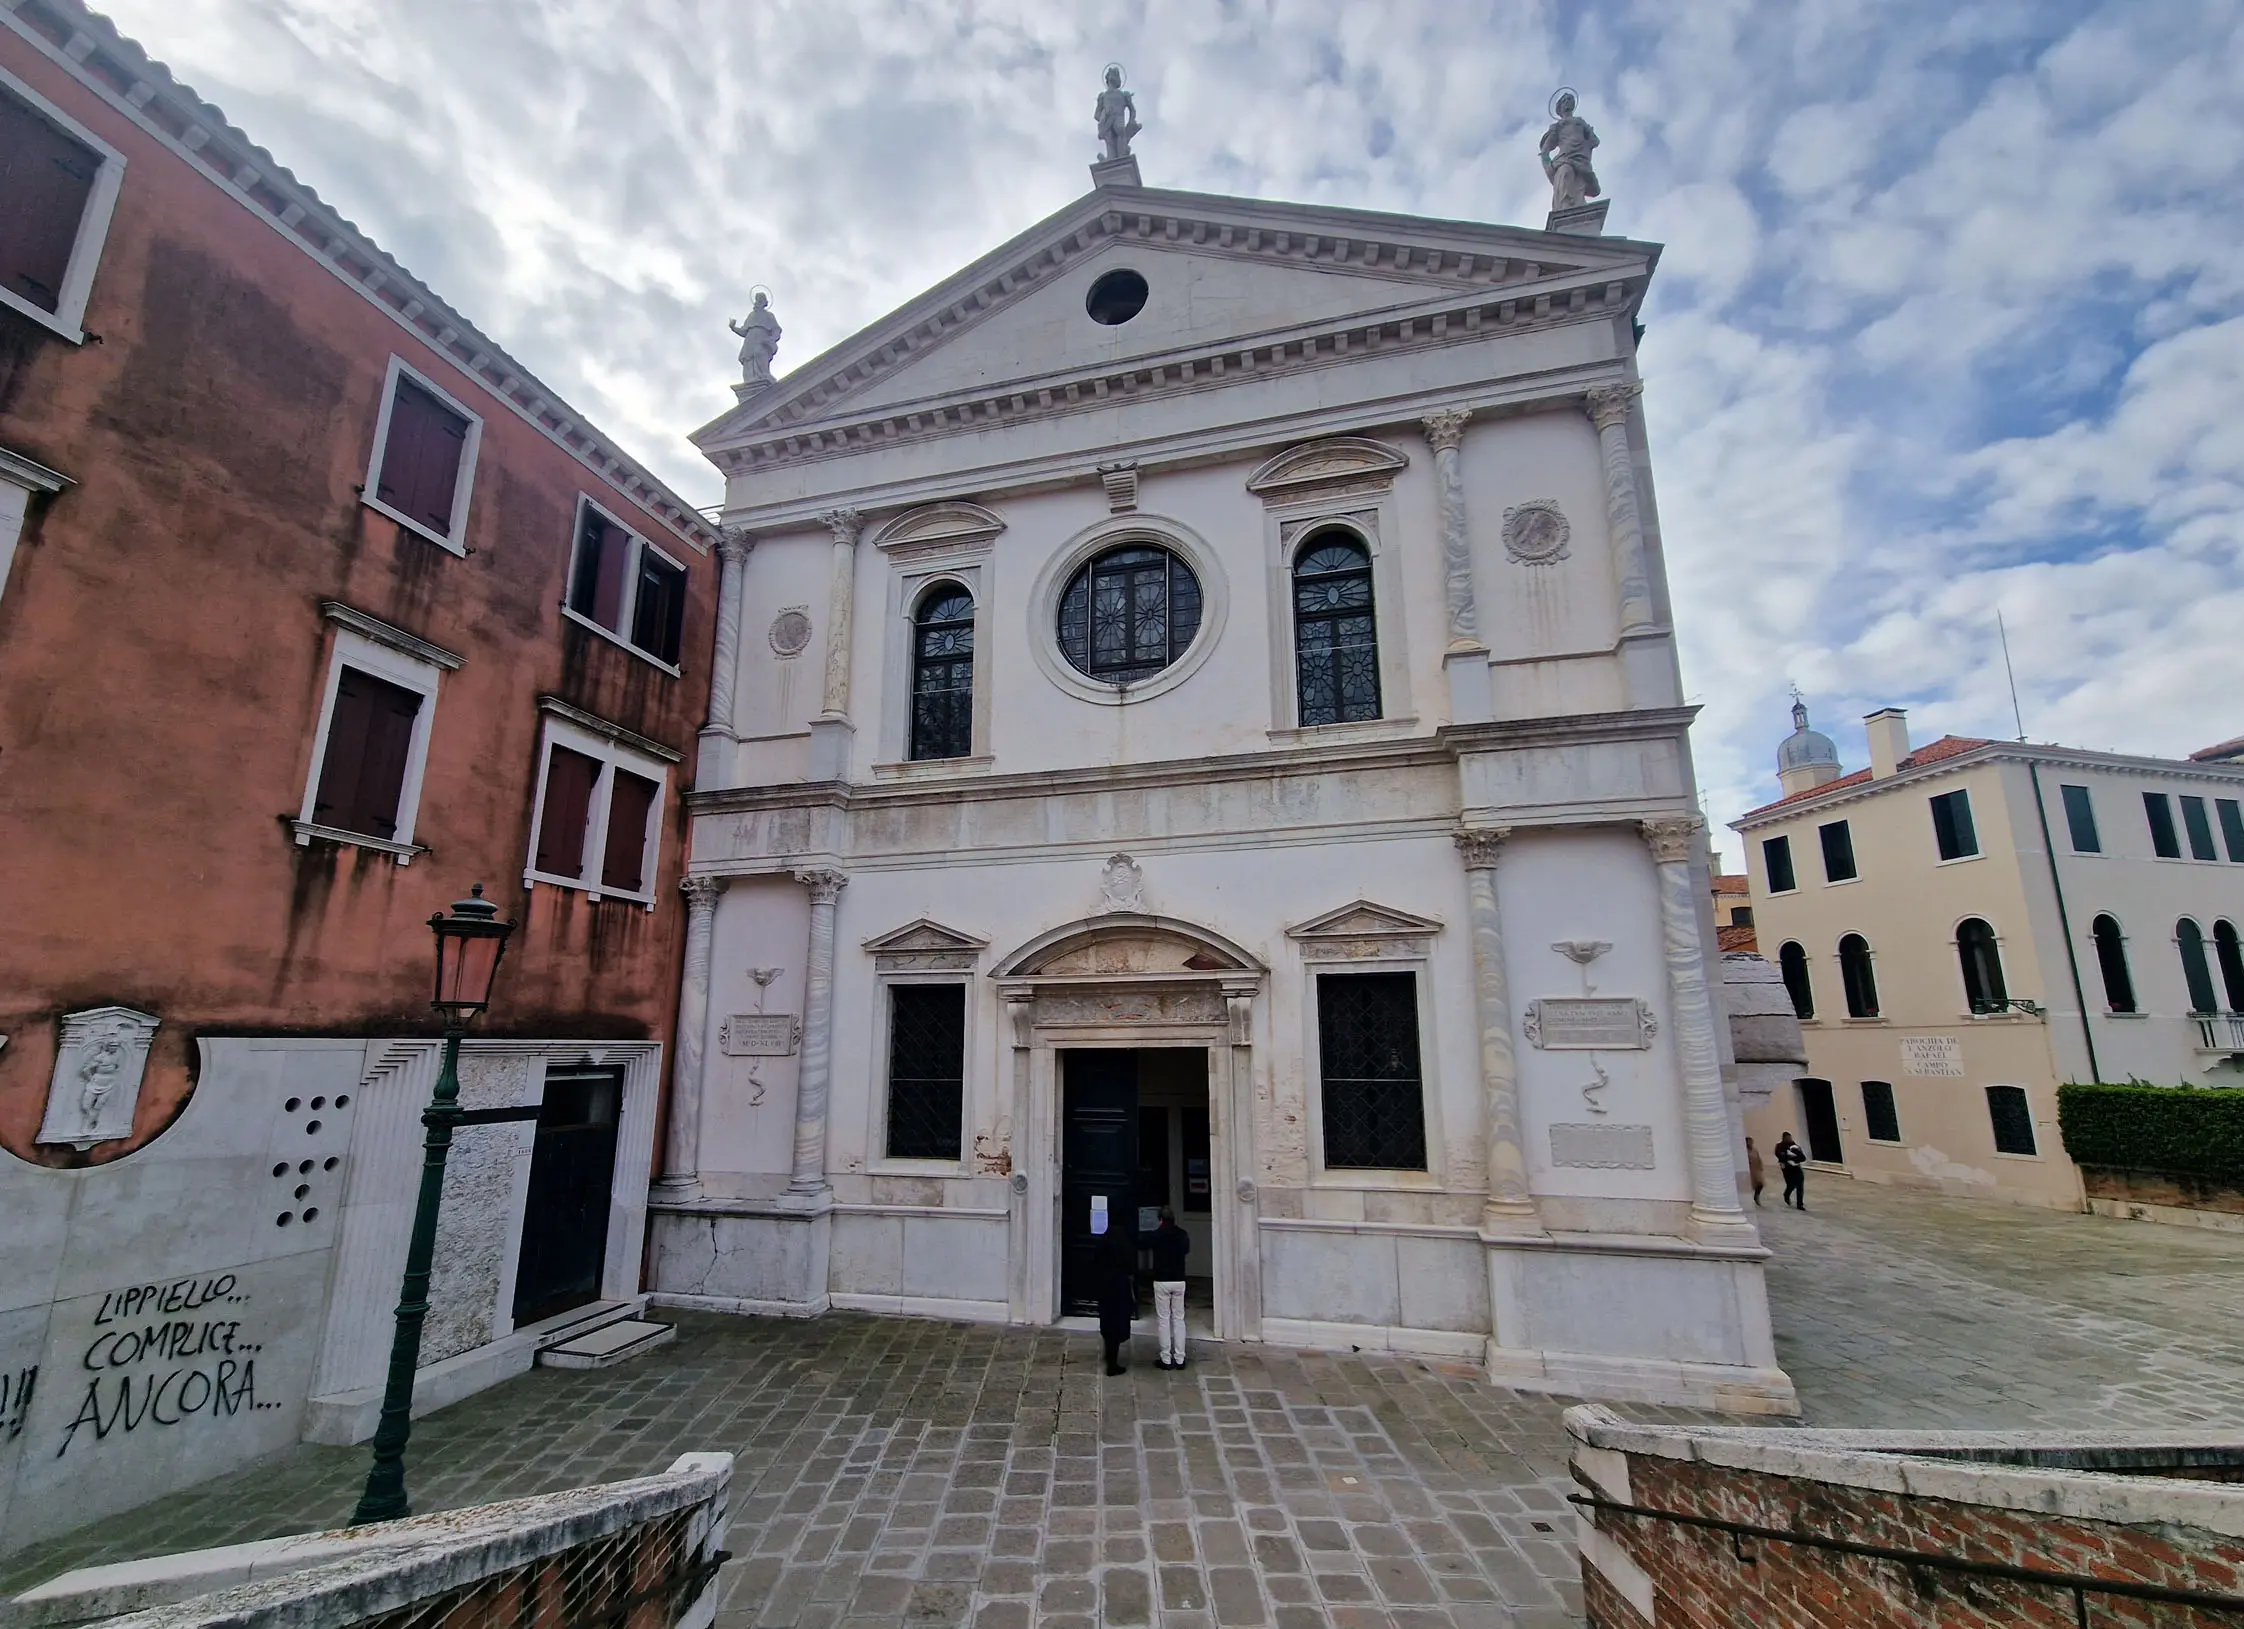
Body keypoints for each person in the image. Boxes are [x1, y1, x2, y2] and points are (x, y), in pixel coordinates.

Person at [1149, 1206, 1191, 1370]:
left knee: (1164, 1320)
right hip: (1179, 1280)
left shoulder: (1156, 1235)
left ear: (1160, 1219)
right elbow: (1186, 1250)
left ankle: (1166, 1358)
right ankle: (1180, 1358)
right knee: (1179, 1319)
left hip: (1162, 1281)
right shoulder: (1182, 1234)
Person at [1097, 1223, 1137, 1375]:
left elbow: (1095, 1262)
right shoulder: (1125, 1246)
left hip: (1105, 1287)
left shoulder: (1103, 1243)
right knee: (1117, 1324)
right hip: (1120, 1288)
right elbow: (1130, 1267)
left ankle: (1109, 1355)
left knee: (1107, 1323)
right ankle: (1112, 1364)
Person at [1775, 1131, 1807, 1209]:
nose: (1789, 1139)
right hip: (1787, 1169)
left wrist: (1792, 1159)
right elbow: (1780, 1156)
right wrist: (1788, 1158)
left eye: (1790, 1138)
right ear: (1784, 1138)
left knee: (1800, 1185)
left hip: (1796, 1167)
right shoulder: (1779, 1146)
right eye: (1787, 1138)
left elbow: (1802, 1157)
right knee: (1791, 1184)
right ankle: (1786, 1194)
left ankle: (1800, 1204)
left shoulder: (1794, 1146)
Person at [1745, 1137, 1766, 1207]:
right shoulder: (1744, 1150)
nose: (1750, 1143)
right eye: (1749, 1142)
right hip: (1749, 1170)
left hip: (1756, 1169)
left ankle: (1756, 1196)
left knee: (1760, 1183)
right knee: (1748, 1185)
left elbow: (1758, 1158)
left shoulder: (1754, 1150)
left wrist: (1761, 1166)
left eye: (1751, 1141)